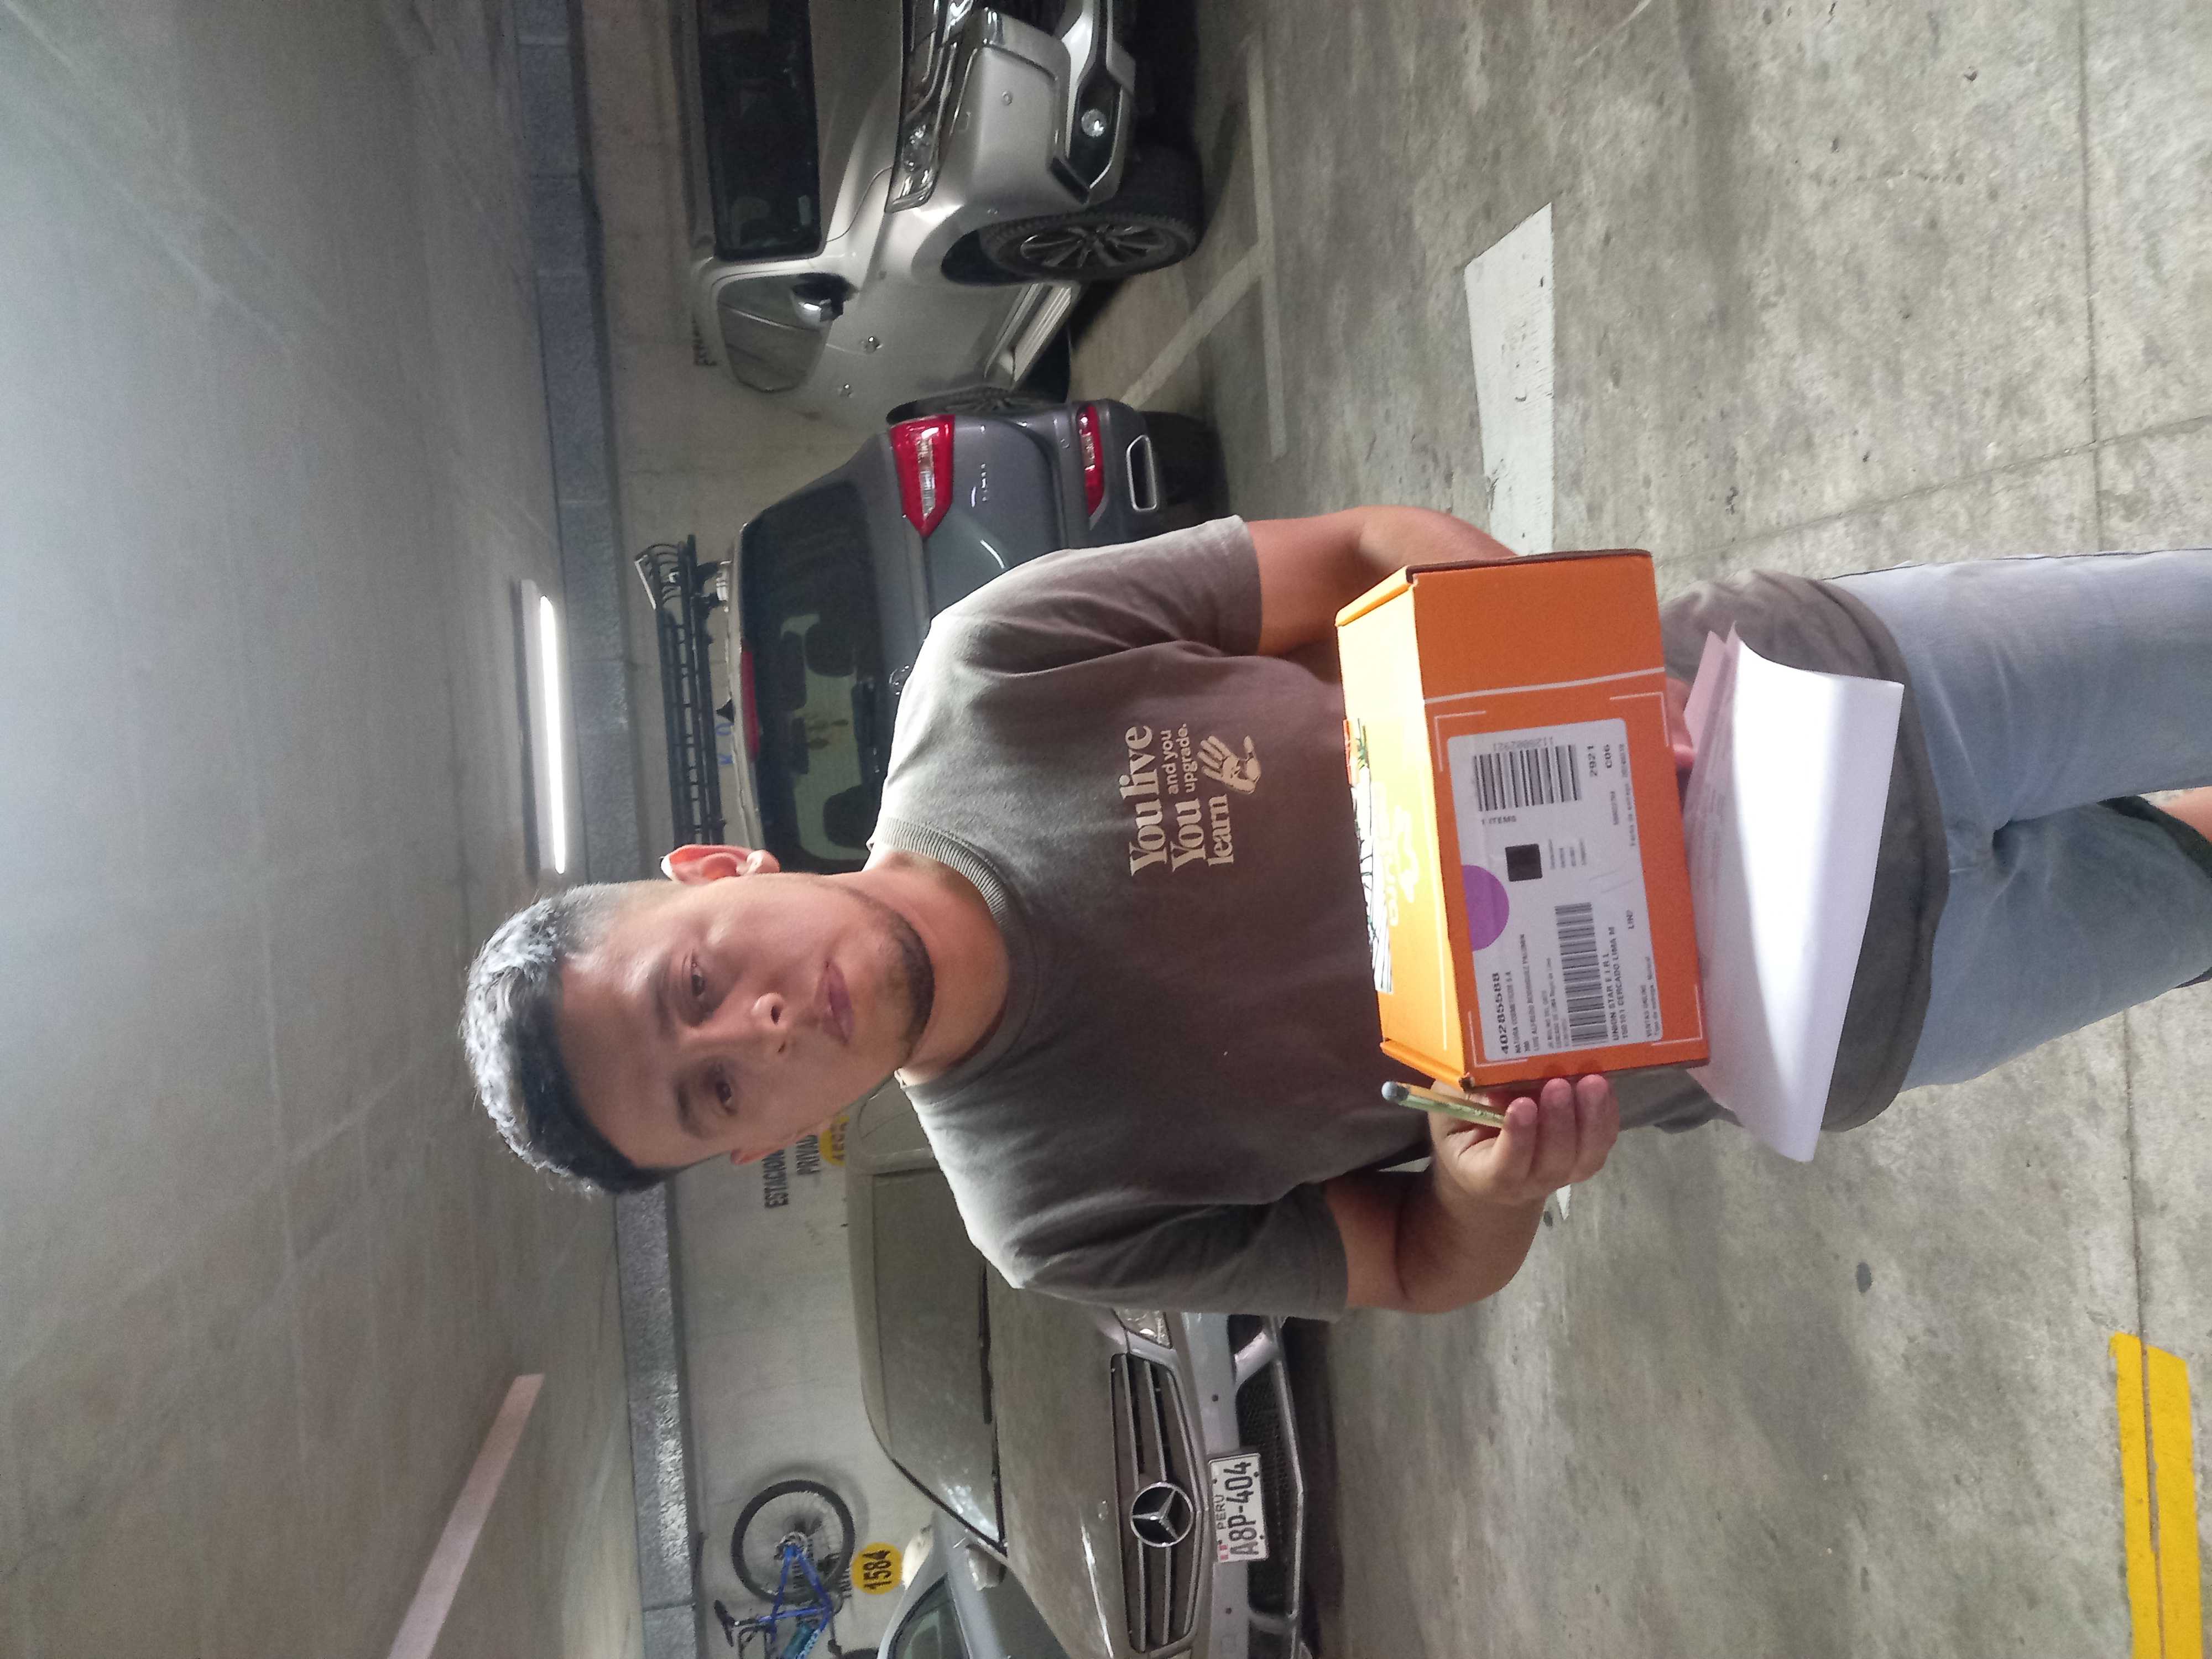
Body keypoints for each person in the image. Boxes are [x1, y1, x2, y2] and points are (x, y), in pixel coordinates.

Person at [460, 510, 2212, 1317]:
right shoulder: (1052, 1214)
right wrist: (1486, 1189)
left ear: (714, 875)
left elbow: (1371, 554)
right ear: (755, 1145)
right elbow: (1415, 1268)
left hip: (1826, 695)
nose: (758, 1028)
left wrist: (1575, 677)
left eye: (693, 985)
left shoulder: (990, 677)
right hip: (1860, 1003)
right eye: (712, 1088)